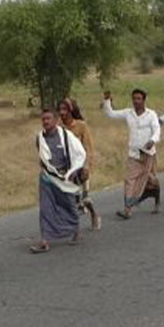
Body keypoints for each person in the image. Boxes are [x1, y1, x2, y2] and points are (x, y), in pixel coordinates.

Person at [30, 108, 87, 253]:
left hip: (65, 177)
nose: (46, 122)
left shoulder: (66, 136)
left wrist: (73, 171)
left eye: (49, 119)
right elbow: (42, 156)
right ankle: (45, 240)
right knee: (46, 208)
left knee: (68, 205)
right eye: (43, 119)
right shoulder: (40, 138)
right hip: (47, 178)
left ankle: (75, 230)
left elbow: (79, 153)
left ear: (56, 120)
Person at [103, 89, 161, 219]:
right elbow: (110, 114)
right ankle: (127, 209)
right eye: (134, 98)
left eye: (139, 98)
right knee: (129, 180)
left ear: (144, 100)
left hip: (148, 153)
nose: (136, 101)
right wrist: (107, 101)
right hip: (134, 154)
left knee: (149, 180)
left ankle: (156, 198)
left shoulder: (151, 114)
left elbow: (157, 130)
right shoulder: (128, 113)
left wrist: (152, 140)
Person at [57, 98, 100, 230]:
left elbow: (89, 149)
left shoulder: (81, 126)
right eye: (60, 110)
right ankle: (72, 226)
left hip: (80, 166)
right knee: (70, 198)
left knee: (84, 198)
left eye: (64, 109)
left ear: (71, 110)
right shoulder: (58, 127)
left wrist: (86, 167)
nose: (62, 113)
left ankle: (94, 215)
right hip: (66, 168)